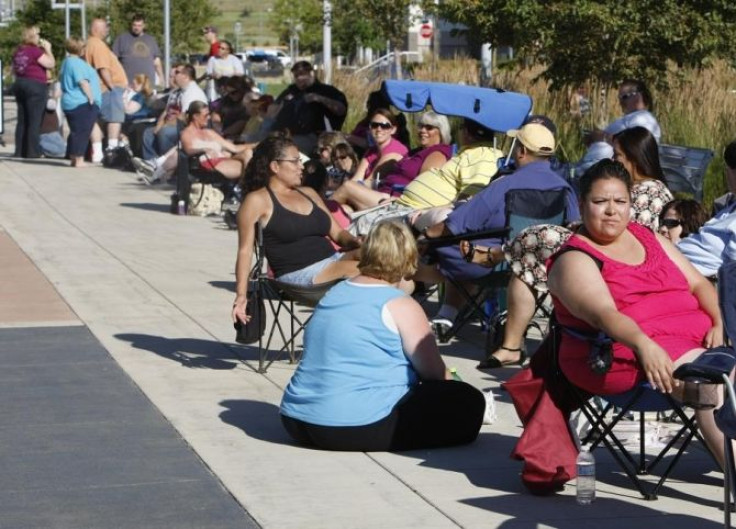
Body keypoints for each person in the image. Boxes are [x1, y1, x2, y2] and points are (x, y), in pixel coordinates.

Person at [546, 159, 727, 467]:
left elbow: (698, 283)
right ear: (581, 203)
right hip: (624, 355)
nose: (611, 210)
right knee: (710, 383)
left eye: (620, 201)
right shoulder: (575, 259)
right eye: (600, 201)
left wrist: (720, 322)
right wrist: (643, 343)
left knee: (723, 377)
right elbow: (605, 316)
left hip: (697, 343)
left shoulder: (647, 237)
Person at [279, 220, 485, 452]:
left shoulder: (336, 292)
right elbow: (434, 373)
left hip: (296, 420)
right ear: (408, 257)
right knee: (470, 401)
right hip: (351, 425)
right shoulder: (399, 304)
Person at [421, 122, 579, 332]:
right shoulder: (564, 187)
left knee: (439, 248)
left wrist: (426, 235)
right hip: (542, 266)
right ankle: (451, 314)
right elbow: (573, 227)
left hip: (494, 264)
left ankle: (442, 312)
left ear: (522, 151)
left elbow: (456, 223)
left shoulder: (505, 184)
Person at [231, 136, 363, 326]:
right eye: (295, 161)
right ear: (275, 166)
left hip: (331, 262)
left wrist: (357, 243)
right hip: (297, 275)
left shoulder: (308, 193)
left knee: (385, 256)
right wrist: (241, 295)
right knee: (369, 272)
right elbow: (244, 251)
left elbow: (338, 234)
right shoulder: (257, 200)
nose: (301, 166)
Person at [348, 118, 503, 236]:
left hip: (416, 211)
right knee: (354, 221)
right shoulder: (469, 153)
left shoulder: (483, 154)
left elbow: (472, 194)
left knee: (358, 227)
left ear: (467, 133)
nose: (422, 130)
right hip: (403, 204)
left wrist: (431, 210)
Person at [331, 111, 452, 211]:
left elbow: (424, 187)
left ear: (441, 131)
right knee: (344, 209)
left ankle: (317, 214)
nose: (422, 130)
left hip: (397, 202)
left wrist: (398, 199)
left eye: (429, 127)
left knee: (348, 187)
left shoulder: (437, 153)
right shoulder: (415, 152)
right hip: (384, 194)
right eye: (421, 126)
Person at [133, 63, 207, 180]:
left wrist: (164, 126)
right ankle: (150, 166)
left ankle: (166, 169)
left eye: (177, 72)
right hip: (171, 124)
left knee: (165, 132)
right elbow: (166, 111)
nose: (173, 75)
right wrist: (159, 124)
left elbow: (184, 117)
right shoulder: (176, 92)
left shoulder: (193, 92)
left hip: (188, 129)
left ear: (186, 77)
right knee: (148, 132)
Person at [577, 79, 661, 174]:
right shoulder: (631, 118)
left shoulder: (643, 118)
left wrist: (602, 137)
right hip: (593, 168)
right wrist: (594, 136)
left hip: (605, 172)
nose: (621, 102)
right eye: (620, 98)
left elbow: (634, 146)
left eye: (624, 97)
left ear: (638, 95)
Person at [271, 61, 348, 154]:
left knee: (281, 149)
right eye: (296, 76)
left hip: (315, 137)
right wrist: (283, 103)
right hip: (284, 134)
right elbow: (271, 111)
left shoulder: (325, 90)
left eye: (302, 74)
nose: (299, 78)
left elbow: (341, 109)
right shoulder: (291, 91)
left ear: (311, 73)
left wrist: (319, 98)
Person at [612, 126, 673, 231]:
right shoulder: (638, 188)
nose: (612, 159)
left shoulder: (650, 193)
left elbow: (635, 237)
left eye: (617, 155)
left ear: (634, 157)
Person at [85, 18, 129, 161]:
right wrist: (112, 87)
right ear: (96, 29)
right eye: (105, 28)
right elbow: (103, 67)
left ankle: (97, 153)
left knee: (96, 121)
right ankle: (112, 150)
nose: (107, 31)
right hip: (108, 88)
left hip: (98, 89)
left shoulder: (89, 44)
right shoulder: (98, 45)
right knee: (114, 119)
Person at [11, 26, 55, 159]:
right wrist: (48, 49)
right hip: (35, 85)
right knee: (34, 120)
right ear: (31, 36)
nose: (39, 38)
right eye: (37, 35)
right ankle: (32, 151)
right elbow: (50, 64)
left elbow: (14, 70)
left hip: (20, 83)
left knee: (22, 120)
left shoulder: (18, 51)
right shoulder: (35, 51)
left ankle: (20, 150)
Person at [180, 101, 252, 182]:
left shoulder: (209, 132)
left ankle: (242, 186)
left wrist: (257, 144)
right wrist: (203, 149)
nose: (209, 117)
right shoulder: (187, 133)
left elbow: (234, 148)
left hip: (223, 160)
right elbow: (188, 150)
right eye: (206, 115)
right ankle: (245, 187)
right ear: (195, 116)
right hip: (209, 166)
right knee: (252, 168)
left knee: (248, 153)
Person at [59, 36, 102, 168]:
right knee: (82, 132)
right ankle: (79, 159)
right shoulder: (76, 63)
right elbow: (82, 82)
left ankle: (73, 158)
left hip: (70, 101)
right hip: (81, 102)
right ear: (80, 49)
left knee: (76, 131)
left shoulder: (66, 62)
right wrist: (91, 98)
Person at [348, 108, 408, 185]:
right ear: (369, 128)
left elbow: (370, 183)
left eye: (384, 126)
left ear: (393, 130)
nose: (379, 129)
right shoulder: (372, 151)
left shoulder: (395, 151)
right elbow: (356, 178)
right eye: (374, 125)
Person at [112, 13, 164, 89]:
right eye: (134, 25)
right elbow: (113, 60)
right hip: (129, 84)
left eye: (139, 25)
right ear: (131, 25)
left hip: (148, 85)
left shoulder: (151, 40)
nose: (136, 28)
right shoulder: (122, 39)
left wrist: (161, 77)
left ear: (144, 26)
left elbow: (156, 61)